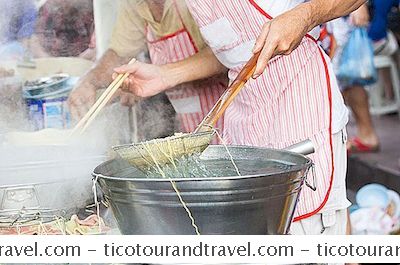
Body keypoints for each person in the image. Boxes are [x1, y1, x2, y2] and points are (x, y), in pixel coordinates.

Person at [115, 0, 366, 235]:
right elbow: (234, 48)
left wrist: (306, 15)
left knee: (308, 235)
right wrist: (164, 75)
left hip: (297, 100)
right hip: (243, 111)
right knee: (255, 234)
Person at [68, 0, 227, 140]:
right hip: (190, 123)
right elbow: (119, 53)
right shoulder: (136, 4)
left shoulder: (193, 4)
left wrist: (164, 75)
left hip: (228, 113)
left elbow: (225, 54)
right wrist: (88, 80)